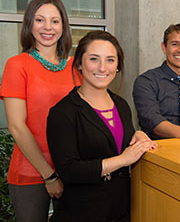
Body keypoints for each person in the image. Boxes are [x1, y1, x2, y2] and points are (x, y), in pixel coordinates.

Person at [46, 31, 157, 221]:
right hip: (83, 212)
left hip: (121, 209)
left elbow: (111, 140)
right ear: (80, 63)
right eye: (94, 59)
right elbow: (69, 171)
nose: (103, 68)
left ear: (118, 66)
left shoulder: (121, 104)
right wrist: (123, 159)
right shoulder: (63, 112)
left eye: (110, 60)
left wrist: (136, 136)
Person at [0, 0, 76, 222]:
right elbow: (16, 126)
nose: (47, 27)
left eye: (55, 21)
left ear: (63, 26)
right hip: (31, 172)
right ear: (29, 25)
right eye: (39, 20)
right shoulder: (17, 65)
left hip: (72, 170)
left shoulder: (76, 66)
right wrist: (49, 176)